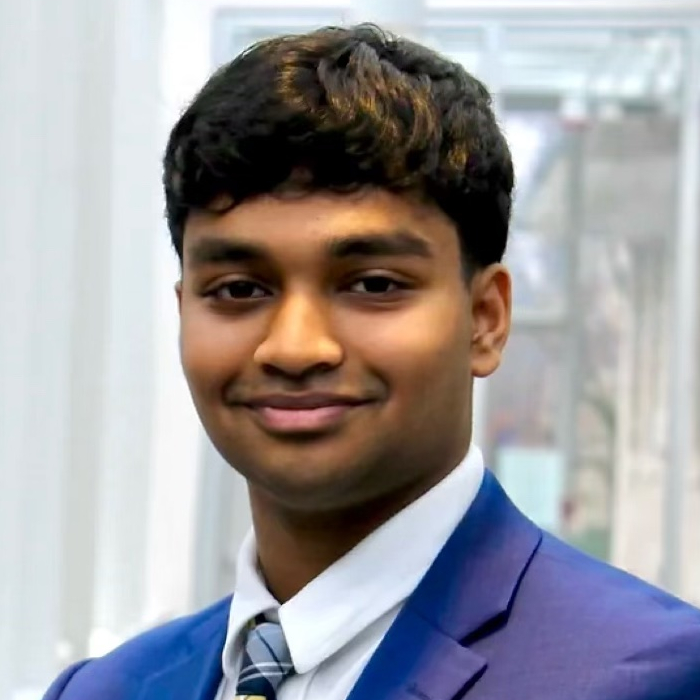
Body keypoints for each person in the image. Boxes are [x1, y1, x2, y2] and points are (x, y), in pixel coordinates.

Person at [44, 23, 700, 700]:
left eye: (374, 284)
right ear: (186, 311)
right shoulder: (102, 690)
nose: (295, 348)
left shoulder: (653, 677)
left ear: (485, 319)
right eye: (239, 290)